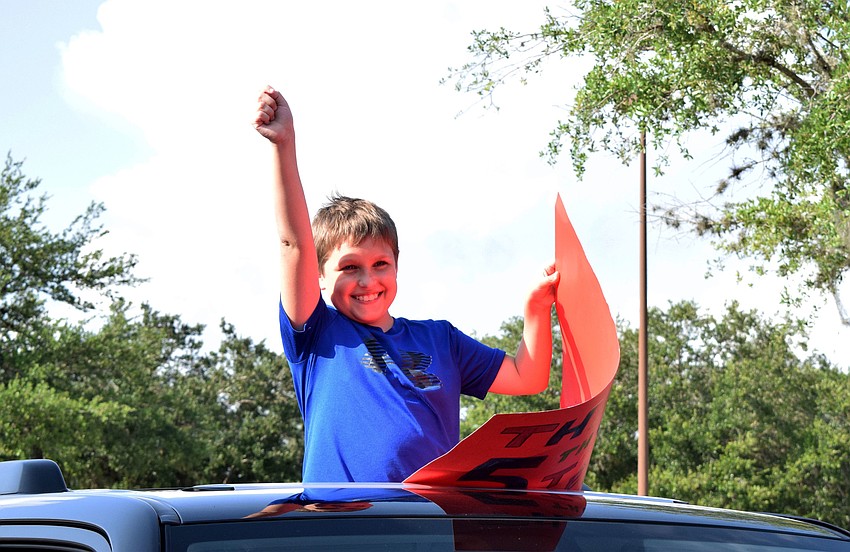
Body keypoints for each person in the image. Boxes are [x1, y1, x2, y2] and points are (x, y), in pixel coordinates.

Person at [252, 85, 560, 483]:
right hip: (342, 527)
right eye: (349, 267)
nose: (368, 280)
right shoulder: (317, 335)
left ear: (397, 266)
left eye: (381, 263)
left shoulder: (441, 340)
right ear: (320, 276)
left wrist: (536, 309)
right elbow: (294, 244)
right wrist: (283, 145)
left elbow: (527, 376)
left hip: (429, 527)